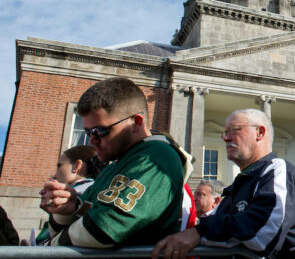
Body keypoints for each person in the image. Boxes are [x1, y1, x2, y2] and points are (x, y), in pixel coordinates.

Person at [39, 77, 190, 248]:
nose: (91, 141)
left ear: (136, 123)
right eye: (88, 131)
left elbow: (104, 227)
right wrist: (68, 209)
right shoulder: (116, 164)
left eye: (100, 131)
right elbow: (82, 221)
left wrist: (48, 253)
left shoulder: (157, 156)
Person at [152, 109, 295, 259]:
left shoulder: (277, 169)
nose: (226, 138)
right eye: (225, 133)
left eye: (234, 130)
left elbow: (263, 230)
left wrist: (201, 232)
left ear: (260, 133)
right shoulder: (238, 184)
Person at [31, 145, 104, 246]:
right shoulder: (92, 188)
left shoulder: (80, 192)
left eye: (59, 166)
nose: (54, 175)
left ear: (77, 165)